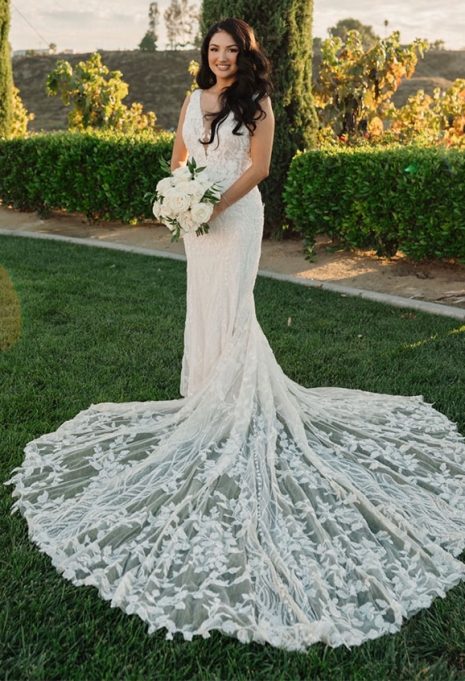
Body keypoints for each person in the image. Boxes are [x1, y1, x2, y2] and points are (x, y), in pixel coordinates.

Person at [4, 17, 465, 653]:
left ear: (244, 56)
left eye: (230, 50)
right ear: (206, 56)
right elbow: (179, 157)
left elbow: (259, 167)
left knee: (234, 303)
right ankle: (205, 390)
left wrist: (215, 202)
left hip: (237, 215)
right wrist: (179, 196)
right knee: (203, 303)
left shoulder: (259, 103)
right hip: (197, 218)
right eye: (213, 49)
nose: (221, 58)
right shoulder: (194, 99)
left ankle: (237, 395)